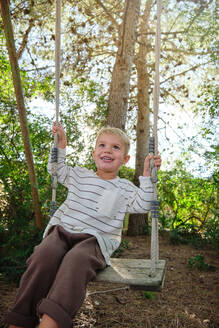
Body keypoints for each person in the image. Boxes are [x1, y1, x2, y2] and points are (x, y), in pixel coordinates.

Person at [6, 122, 162, 328]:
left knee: (75, 261)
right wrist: (60, 145)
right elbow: (56, 170)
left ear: (124, 159)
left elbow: (143, 204)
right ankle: (21, 319)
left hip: (95, 240)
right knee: (44, 256)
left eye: (115, 147)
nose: (107, 150)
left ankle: (51, 321)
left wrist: (147, 176)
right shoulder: (79, 175)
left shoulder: (125, 188)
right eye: (102, 145)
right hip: (61, 232)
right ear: (94, 153)